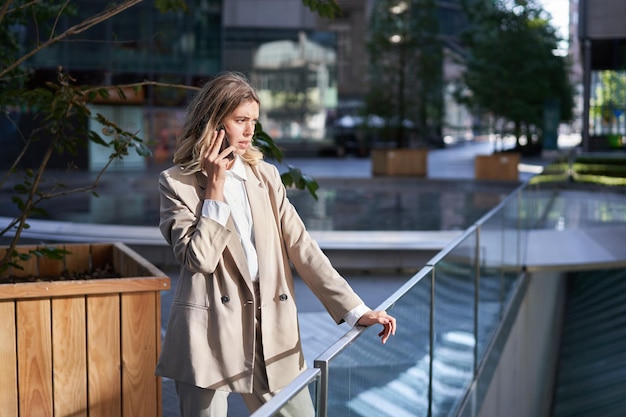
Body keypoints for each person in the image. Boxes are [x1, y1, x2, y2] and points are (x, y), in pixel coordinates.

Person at [156, 71, 397, 417]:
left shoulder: (265, 176)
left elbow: (303, 246)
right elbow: (199, 259)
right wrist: (215, 190)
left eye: (254, 120)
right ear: (214, 122)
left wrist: (355, 310)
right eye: (241, 120)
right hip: (207, 337)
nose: (250, 130)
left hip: (270, 329)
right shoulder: (176, 184)